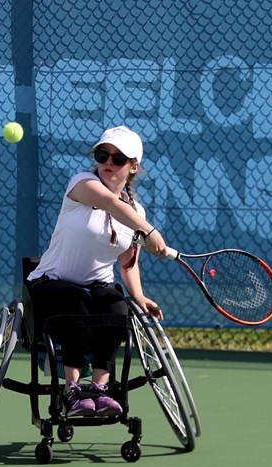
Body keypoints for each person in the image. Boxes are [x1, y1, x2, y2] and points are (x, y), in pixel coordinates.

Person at [25, 125, 168, 417]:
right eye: (103, 155)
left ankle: (100, 389)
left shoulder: (136, 213)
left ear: (133, 167)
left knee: (117, 306)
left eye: (118, 159)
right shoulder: (82, 183)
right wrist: (149, 230)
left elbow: (129, 263)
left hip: (97, 289)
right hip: (49, 285)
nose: (108, 163)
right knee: (77, 301)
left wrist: (139, 297)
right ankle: (73, 390)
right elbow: (109, 203)